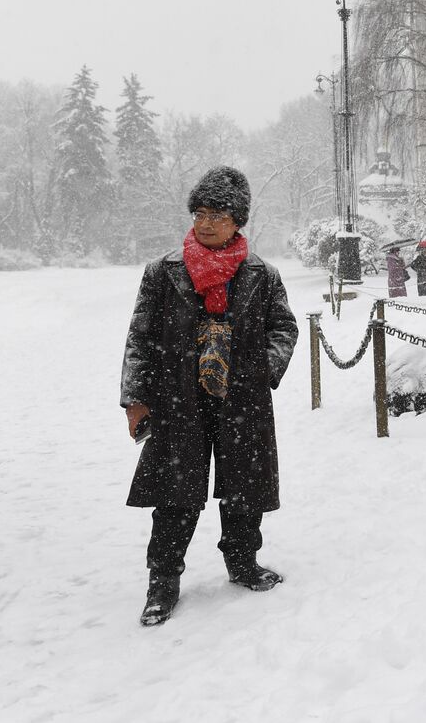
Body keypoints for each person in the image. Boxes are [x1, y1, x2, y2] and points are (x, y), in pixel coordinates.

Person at [120, 166, 298, 627]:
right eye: (199, 214)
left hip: (242, 401)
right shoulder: (162, 272)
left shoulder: (263, 274)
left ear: (238, 220)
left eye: (217, 215)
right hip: (177, 398)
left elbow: (283, 328)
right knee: (175, 494)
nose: (206, 223)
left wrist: (261, 371)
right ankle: (162, 583)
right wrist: (136, 397)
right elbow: (140, 336)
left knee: (244, 488)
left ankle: (242, 563)